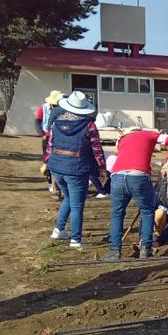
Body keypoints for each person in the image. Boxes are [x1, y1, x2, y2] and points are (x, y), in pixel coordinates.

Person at [102, 126, 168, 261]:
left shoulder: (122, 138)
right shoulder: (149, 135)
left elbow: (119, 153)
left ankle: (114, 251)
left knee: (117, 214)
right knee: (147, 212)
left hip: (117, 177)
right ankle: (145, 248)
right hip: (138, 177)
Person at [44, 91, 107, 249]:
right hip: (77, 168)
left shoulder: (56, 122)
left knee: (68, 198)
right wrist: (102, 167)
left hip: (57, 167)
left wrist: (46, 163)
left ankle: (58, 229)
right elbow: (96, 149)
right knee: (78, 205)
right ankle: (75, 239)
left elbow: (50, 145)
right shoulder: (89, 125)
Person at [36, 90, 63, 197]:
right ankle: (51, 183)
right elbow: (38, 120)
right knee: (47, 161)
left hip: (59, 138)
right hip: (47, 137)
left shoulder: (62, 109)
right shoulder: (43, 108)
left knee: (57, 162)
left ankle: (57, 187)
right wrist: (41, 133)